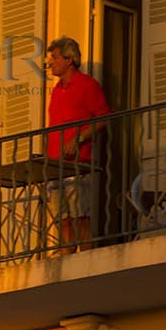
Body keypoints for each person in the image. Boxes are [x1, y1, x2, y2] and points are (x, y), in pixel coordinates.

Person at [43, 37, 110, 247]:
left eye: (54, 57)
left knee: (80, 216)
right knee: (61, 218)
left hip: (78, 164)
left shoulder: (86, 85)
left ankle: (86, 258)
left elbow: (104, 118)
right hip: (55, 165)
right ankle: (66, 258)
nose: (50, 62)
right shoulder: (56, 90)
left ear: (69, 59)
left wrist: (79, 139)